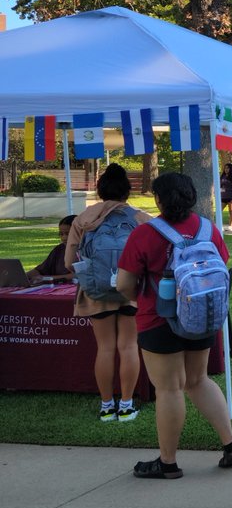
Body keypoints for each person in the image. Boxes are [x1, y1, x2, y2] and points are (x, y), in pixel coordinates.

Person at [115, 172, 232, 479]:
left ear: (158, 199)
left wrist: (139, 299)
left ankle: (168, 462)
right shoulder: (207, 229)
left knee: (169, 388)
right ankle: (231, 442)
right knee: (198, 379)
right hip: (202, 316)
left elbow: (123, 283)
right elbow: (220, 267)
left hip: (158, 319)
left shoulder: (145, 233)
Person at [66, 164, 149, 423]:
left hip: (95, 291)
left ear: (101, 189)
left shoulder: (84, 218)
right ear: (127, 189)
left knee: (105, 348)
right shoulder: (141, 218)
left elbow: (70, 262)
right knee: (128, 347)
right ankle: (126, 407)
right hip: (131, 290)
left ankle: (106, 407)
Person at [33, 214, 75, 281]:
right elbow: (40, 270)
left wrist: (47, 278)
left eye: (68, 234)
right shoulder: (59, 249)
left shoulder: (85, 251)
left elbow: (78, 275)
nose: (64, 238)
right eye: (61, 234)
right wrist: (23, 276)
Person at [219, 162, 232, 231]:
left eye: (228, 168)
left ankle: (230, 226)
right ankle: (220, 225)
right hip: (223, 196)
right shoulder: (222, 176)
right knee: (219, 211)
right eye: (225, 168)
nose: (226, 169)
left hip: (231, 197)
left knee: (231, 211)